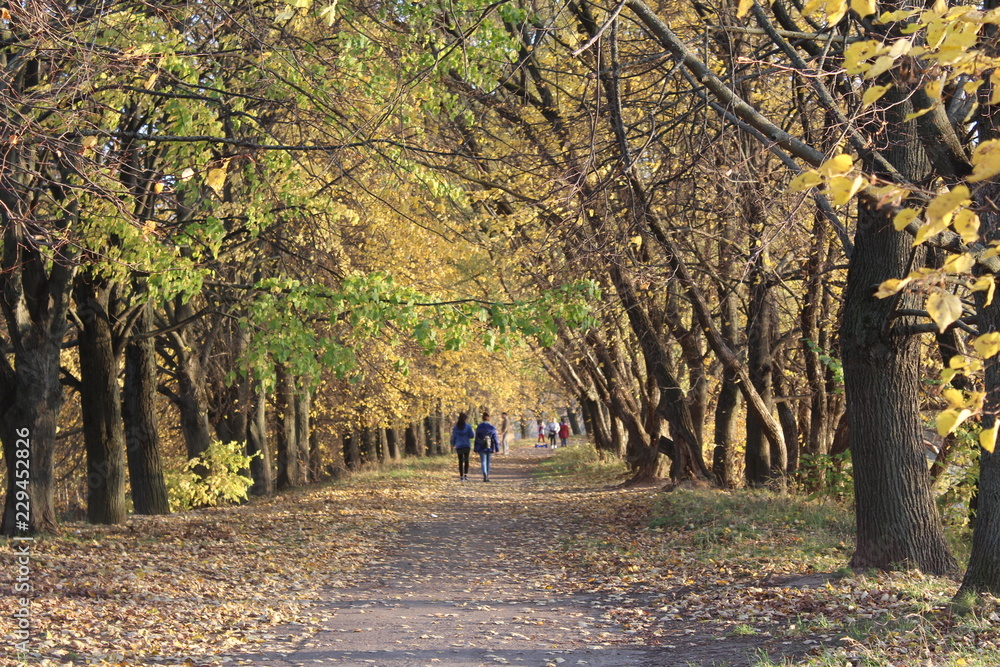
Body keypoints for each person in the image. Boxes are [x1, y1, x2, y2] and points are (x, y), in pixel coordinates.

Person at [474, 412, 500, 481]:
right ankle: (487, 476)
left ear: (482, 418)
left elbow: (476, 438)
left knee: (483, 461)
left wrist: (475, 448)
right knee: (488, 462)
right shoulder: (492, 428)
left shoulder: (479, 427)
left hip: (481, 446)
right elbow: (495, 439)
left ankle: (484, 473)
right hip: (490, 446)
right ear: (489, 418)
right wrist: (497, 449)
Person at [450, 412, 475, 481]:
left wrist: (453, 444)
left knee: (460, 461)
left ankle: (461, 476)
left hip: (459, 445)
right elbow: (472, 436)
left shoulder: (456, 427)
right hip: (466, 445)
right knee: (466, 460)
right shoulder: (468, 426)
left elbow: (454, 437)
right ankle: (466, 475)